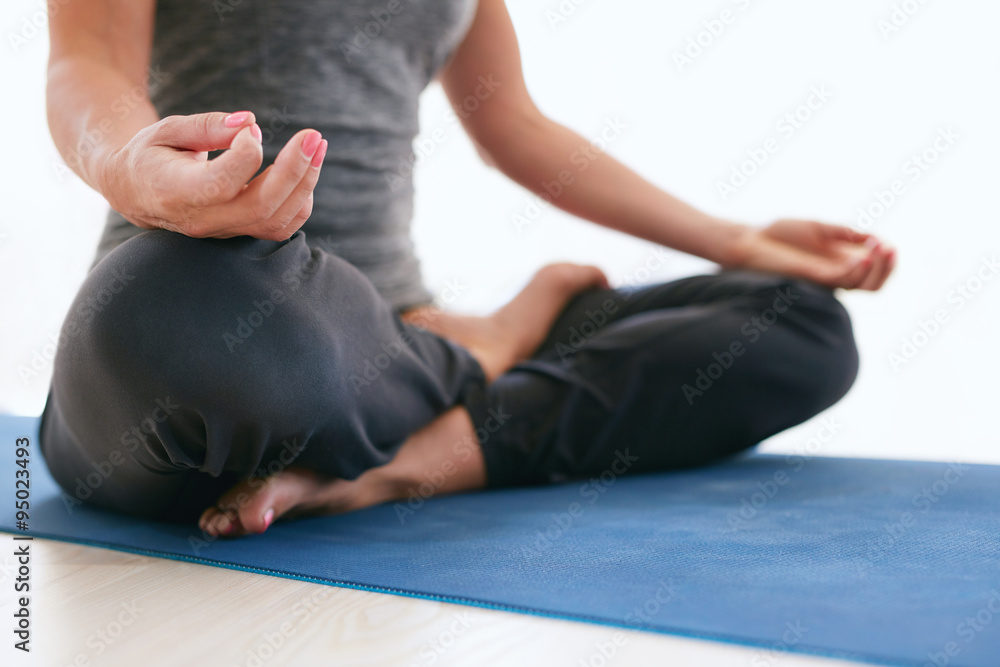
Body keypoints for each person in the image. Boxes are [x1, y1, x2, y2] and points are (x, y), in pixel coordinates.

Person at [41, 0, 895, 538]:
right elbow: (90, 62)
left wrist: (736, 240)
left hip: (391, 331)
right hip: (198, 324)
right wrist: (133, 168)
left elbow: (515, 124)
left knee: (799, 322)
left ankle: (400, 458)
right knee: (167, 319)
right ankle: (482, 351)